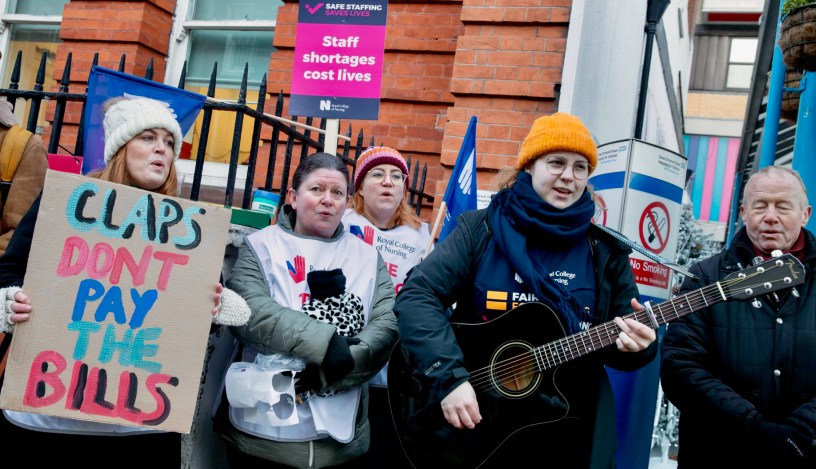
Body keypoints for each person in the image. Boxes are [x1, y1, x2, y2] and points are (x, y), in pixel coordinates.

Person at [392, 112, 657, 468]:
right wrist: (448, 378)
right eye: (557, 162)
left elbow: (621, 343)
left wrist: (639, 346)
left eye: (581, 167)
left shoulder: (604, 251)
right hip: (481, 429)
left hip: (569, 432)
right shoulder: (481, 229)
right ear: (530, 165)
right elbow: (418, 295)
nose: (568, 176)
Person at [0, 96, 250, 466]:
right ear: (121, 147)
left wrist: (212, 305)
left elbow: (201, 305)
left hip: (141, 425)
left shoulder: (185, 227)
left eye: (168, 143)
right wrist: (9, 300)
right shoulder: (68, 203)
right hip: (47, 418)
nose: (161, 150)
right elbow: (10, 269)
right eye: (148, 138)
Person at [217, 151, 398, 468]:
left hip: (339, 444)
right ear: (293, 196)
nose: (328, 200)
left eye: (337, 192)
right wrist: (326, 345)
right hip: (262, 440)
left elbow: (385, 327)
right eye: (317, 189)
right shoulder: (261, 246)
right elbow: (250, 313)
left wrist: (339, 367)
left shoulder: (369, 259)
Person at [660, 165, 816, 468]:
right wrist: (753, 426)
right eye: (760, 206)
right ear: (744, 212)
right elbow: (680, 366)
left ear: (805, 214)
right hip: (718, 452)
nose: (770, 216)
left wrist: (801, 432)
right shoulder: (705, 276)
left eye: (783, 206)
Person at [342, 146, 431, 468]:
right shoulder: (341, 222)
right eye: (377, 174)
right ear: (360, 187)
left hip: (393, 373)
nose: (387, 182)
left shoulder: (420, 236)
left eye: (396, 177)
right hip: (346, 362)